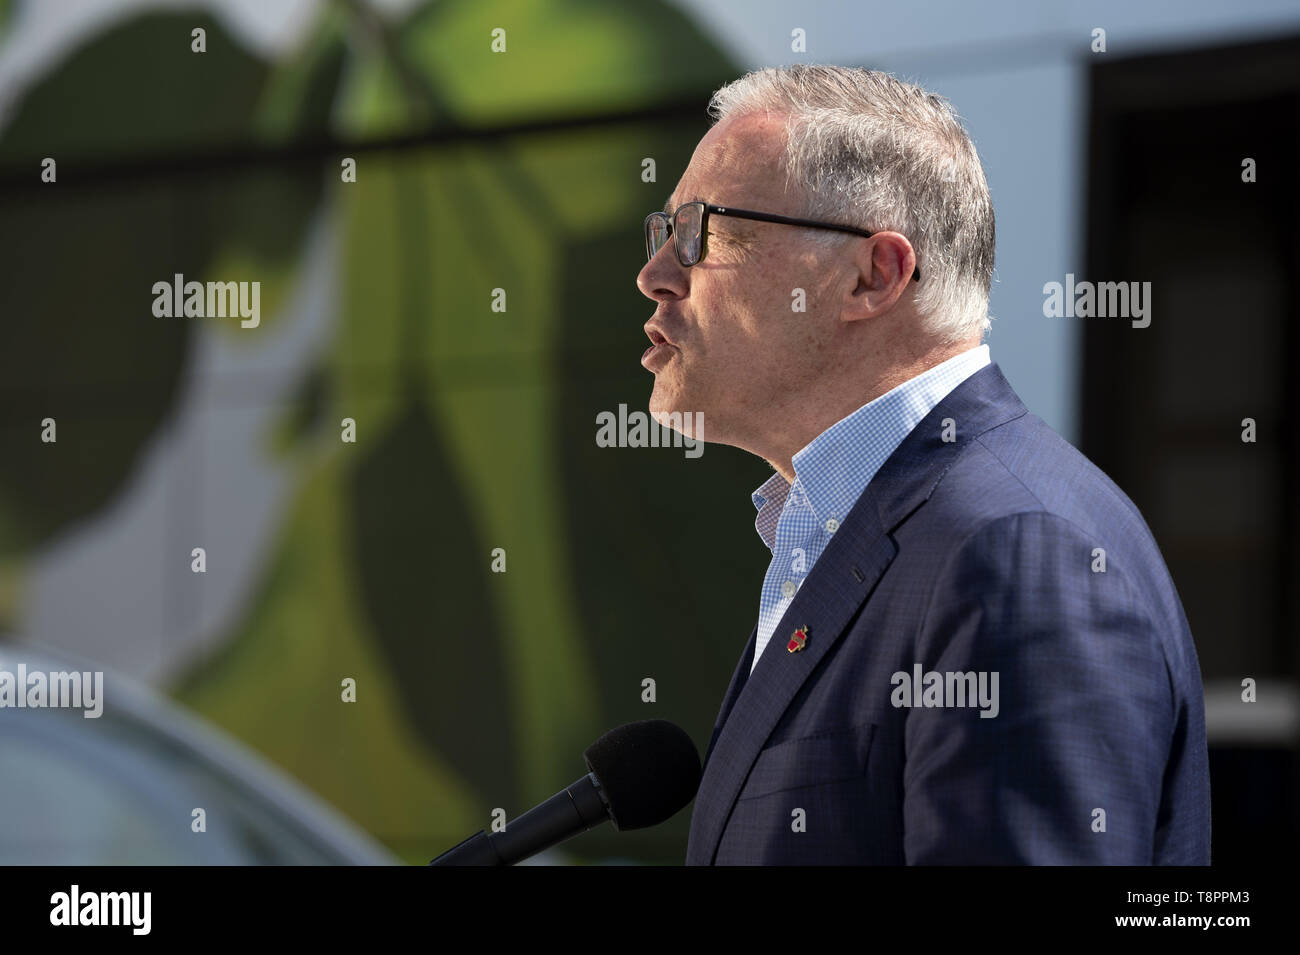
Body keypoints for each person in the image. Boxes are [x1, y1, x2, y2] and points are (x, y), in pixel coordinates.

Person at [635, 64, 1210, 865]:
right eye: (661, 232)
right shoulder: (851, 526)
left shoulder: (1017, 552)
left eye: (699, 230)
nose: (656, 274)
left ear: (873, 275)